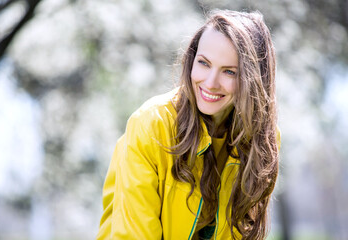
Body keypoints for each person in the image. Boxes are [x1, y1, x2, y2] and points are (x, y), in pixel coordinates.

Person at [96, 9, 280, 240]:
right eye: (204, 63)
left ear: (253, 81)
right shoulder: (150, 125)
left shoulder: (260, 141)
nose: (210, 83)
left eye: (229, 72)